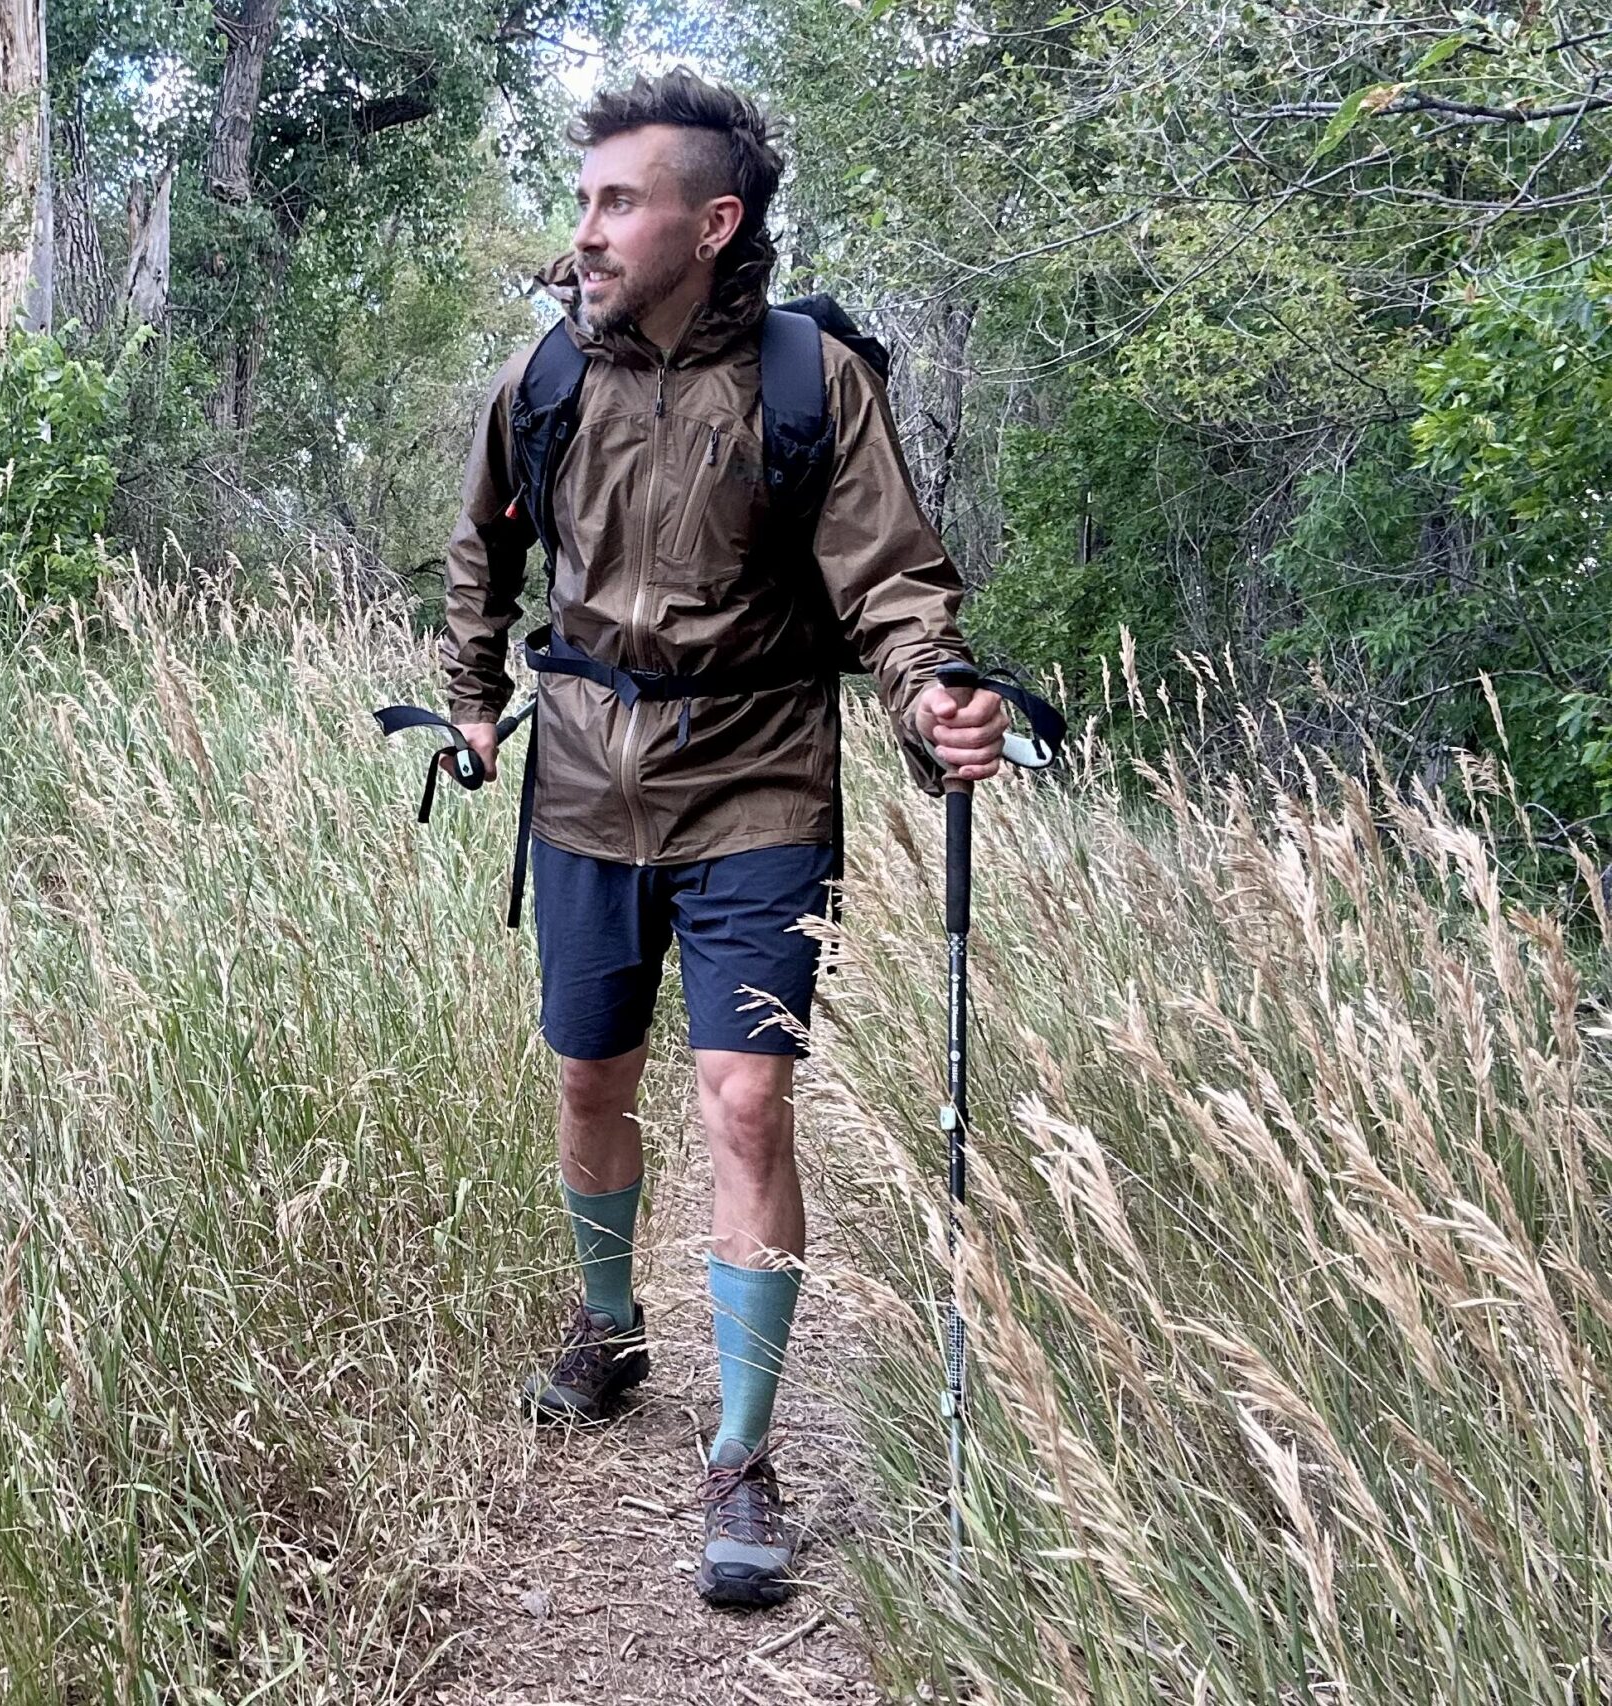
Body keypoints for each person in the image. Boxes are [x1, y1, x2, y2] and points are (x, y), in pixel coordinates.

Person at [439, 69, 1009, 1611]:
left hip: (758, 775)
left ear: (715, 220)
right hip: (582, 783)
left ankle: (744, 1452)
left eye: (619, 202)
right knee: (588, 1078)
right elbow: (483, 542)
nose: (589, 232)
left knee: (745, 1101)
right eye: (585, 203)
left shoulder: (812, 378)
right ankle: (613, 1328)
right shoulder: (551, 371)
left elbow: (894, 583)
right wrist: (470, 698)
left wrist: (934, 697)